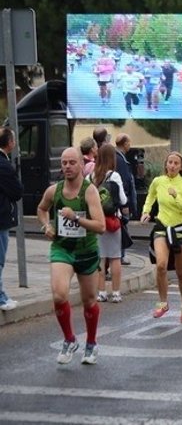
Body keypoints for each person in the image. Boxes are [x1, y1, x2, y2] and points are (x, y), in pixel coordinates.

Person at [36, 147, 105, 364]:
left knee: (89, 300)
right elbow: (41, 209)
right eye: (64, 163)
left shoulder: (89, 191)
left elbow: (101, 226)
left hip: (86, 251)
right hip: (62, 248)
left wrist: (75, 218)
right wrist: (46, 225)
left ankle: (91, 344)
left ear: (81, 165)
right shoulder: (54, 190)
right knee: (59, 295)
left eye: (72, 162)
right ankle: (69, 339)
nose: (67, 166)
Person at [140, 152, 182, 323]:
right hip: (162, 227)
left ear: (180, 167)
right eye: (169, 162)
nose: (172, 165)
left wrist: (176, 196)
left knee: (181, 272)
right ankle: (163, 303)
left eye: (175, 163)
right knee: (161, 266)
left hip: (181, 229)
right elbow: (150, 196)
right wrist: (146, 211)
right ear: (166, 164)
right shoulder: (158, 181)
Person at [88, 144, 128, 303]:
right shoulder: (114, 176)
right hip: (111, 222)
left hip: (95, 222)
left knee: (100, 258)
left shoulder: (90, 177)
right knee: (115, 258)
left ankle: (101, 292)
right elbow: (123, 200)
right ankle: (116, 292)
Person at [0, 128, 23, 311]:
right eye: (13, 140)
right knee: (0, 258)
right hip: (1, 217)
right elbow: (17, 192)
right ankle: (0, 297)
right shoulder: (4, 165)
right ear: (9, 143)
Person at [115, 134, 137, 264]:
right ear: (125, 143)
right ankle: (121, 255)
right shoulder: (120, 160)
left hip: (122, 200)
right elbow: (124, 182)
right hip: (123, 201)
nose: (130, 145)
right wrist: (126, 204)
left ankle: (121, 254)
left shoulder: (118, 157)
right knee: (122, 227)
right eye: (129, 142)